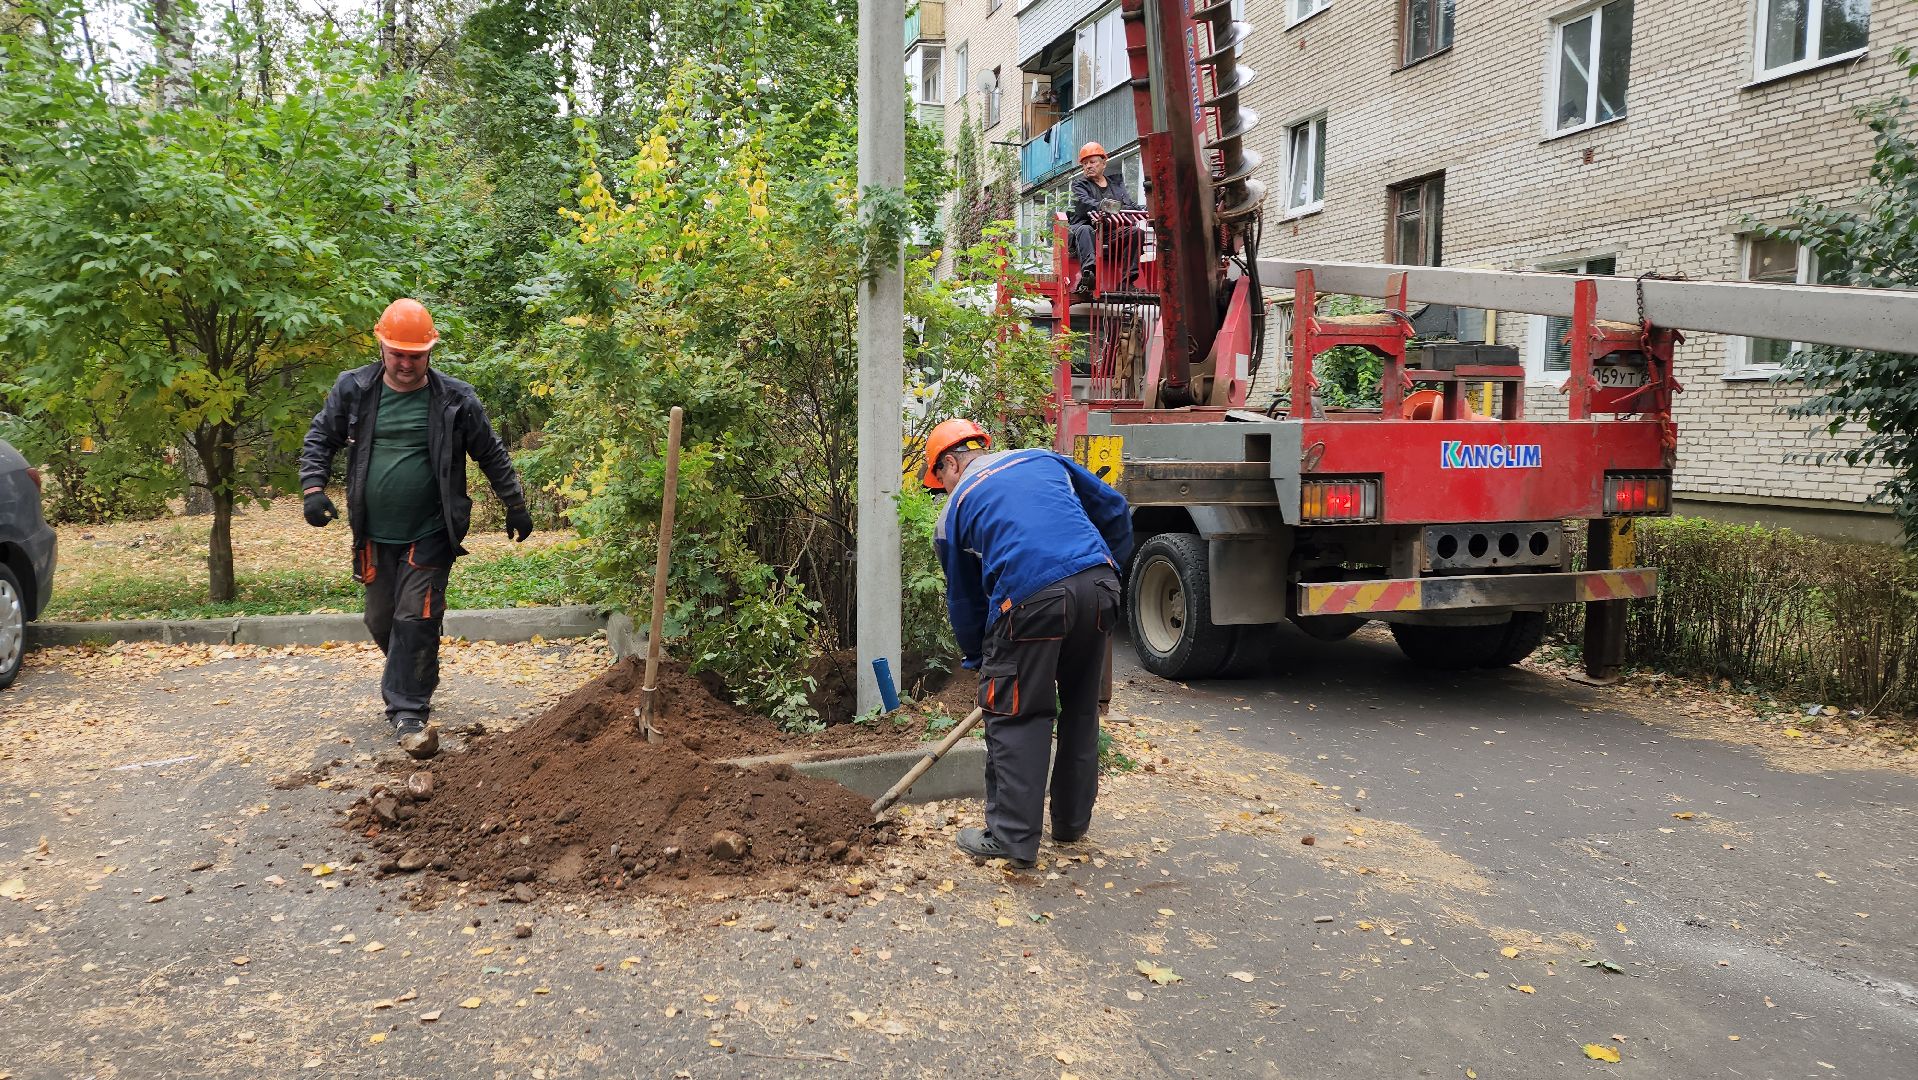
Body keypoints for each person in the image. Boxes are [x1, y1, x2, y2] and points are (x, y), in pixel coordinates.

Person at [299, 298, 534, 760]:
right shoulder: (354, 390)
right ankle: (416, 668)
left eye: (416, 355)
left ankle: (408, 710)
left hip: (431, 529)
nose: (406, 364)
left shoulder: (455, 400)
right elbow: (321, 437)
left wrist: (515, 504)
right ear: (382, 347)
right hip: (372, 531)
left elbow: (491, 454)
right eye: (398, 354)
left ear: (430, 353)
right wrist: (312, 488)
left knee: (415, 617)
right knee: (381, 619)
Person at [925, 419, 1133, 869]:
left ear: (950, 463)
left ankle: (1012, 837)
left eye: (937, 480)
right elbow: (1114, 508)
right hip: (1099, 586)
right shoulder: (1042, 459)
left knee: (1016, 714)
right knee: (1079, 706)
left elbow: (964, 601)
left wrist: (984, 662)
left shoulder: (955, 509)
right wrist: (1108, 567)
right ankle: (1071, 825)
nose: (941, 491)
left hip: (1032, 598)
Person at [1067, 141, 1144, 298]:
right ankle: (1089, 276)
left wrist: (1143, 209)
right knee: (1085, 230)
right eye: (1085, 163)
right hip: (1086, 232)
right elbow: (1085, 203)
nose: (1088, 166)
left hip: (1109, 233)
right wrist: (1105, 206)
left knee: (1136, 232)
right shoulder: (1079, 185)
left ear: (1104, 163)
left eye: (1092, 162)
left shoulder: (1116, 185)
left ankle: (1127, 282)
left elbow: (1129, 204)